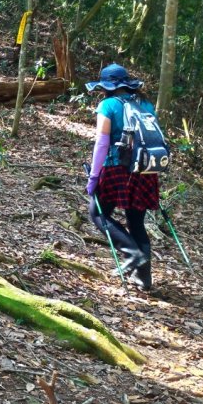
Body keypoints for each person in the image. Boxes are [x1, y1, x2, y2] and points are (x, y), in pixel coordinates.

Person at [85, 63, 159, 290]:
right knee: (137, 222)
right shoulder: (145, 103)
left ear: (107, 86)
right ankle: (144, 279)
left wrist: (93, 176)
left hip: (117, 168)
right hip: (146, 170)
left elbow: (102, 142)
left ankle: (132, 253)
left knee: (97, 214)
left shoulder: (108, 105)